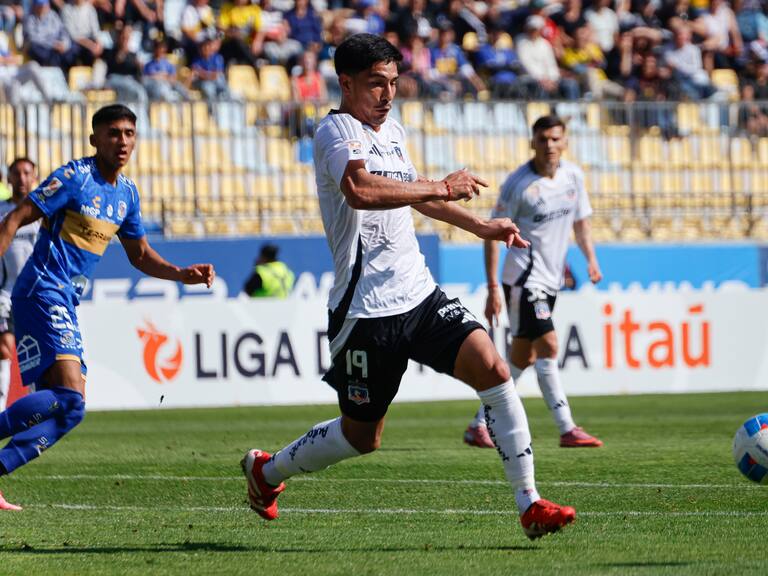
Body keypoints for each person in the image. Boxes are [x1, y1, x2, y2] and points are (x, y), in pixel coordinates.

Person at [241, 33, 576, 540]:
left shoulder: (392, 131)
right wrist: (441, 184)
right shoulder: (336, 131)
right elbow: (360, 190)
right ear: (346, 83)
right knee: (362, 437)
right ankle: (266, 474)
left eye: (394, 82)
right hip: (365, 312)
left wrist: (483, 225)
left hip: (419, 295)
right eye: (377, 83)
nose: (388, 93)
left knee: (493, 367)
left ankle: (530, 503)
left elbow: (415, 196)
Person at [0, 104, 215, 510]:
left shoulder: (127, 194)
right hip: (41, 291)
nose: (122, 141)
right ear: (94, 139)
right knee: (70, 400)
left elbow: (140, 255)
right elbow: (14, 219)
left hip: (65, 300)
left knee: (68, 411)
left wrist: (181, 273)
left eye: (129, 133)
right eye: (113, 133)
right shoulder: (74, 177)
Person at [463, 115, 604, 451]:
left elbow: (581, 224)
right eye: (543, 139)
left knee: (521, 358)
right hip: (524, 280)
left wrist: (591, 259)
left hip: (551, 280)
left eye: (556, 139)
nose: (549, 146)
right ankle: (567, 428)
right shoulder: (518, 185)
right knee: (550, 346)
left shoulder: (573, 176)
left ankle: (478, 424)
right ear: (532, 142)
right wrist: (494, 287)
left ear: (565, 142)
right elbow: (492, 233)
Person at [0, 159, 40, 413]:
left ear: (34, 177)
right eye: (17, 173)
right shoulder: (1, 211)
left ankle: (37, 410)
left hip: (36, 295)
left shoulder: (42, 212)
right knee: (3, 348)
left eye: (27, 173)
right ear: (9, 179)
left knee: (35, 352)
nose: (22, 178)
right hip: (5, 292)